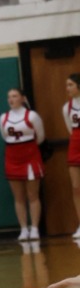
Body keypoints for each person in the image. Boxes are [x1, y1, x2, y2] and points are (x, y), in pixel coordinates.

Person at [0, 88, 45, 242]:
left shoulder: (32, 116)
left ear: (23, 98)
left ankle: (35, 228)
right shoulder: (3, 118)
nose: (11, 99)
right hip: (12, 158)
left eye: (14, 96)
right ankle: (24, 228)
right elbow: (4, 136)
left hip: (30, 156)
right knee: (18, 197)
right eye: (9, 97)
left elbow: (40, 137)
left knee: (33, 195)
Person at [63, 74, 80, 239]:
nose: (67, 88)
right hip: (75, 146)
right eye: (67, 85)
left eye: (70, 85)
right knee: (76, 187)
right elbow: (70, 129)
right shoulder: (66, 107)